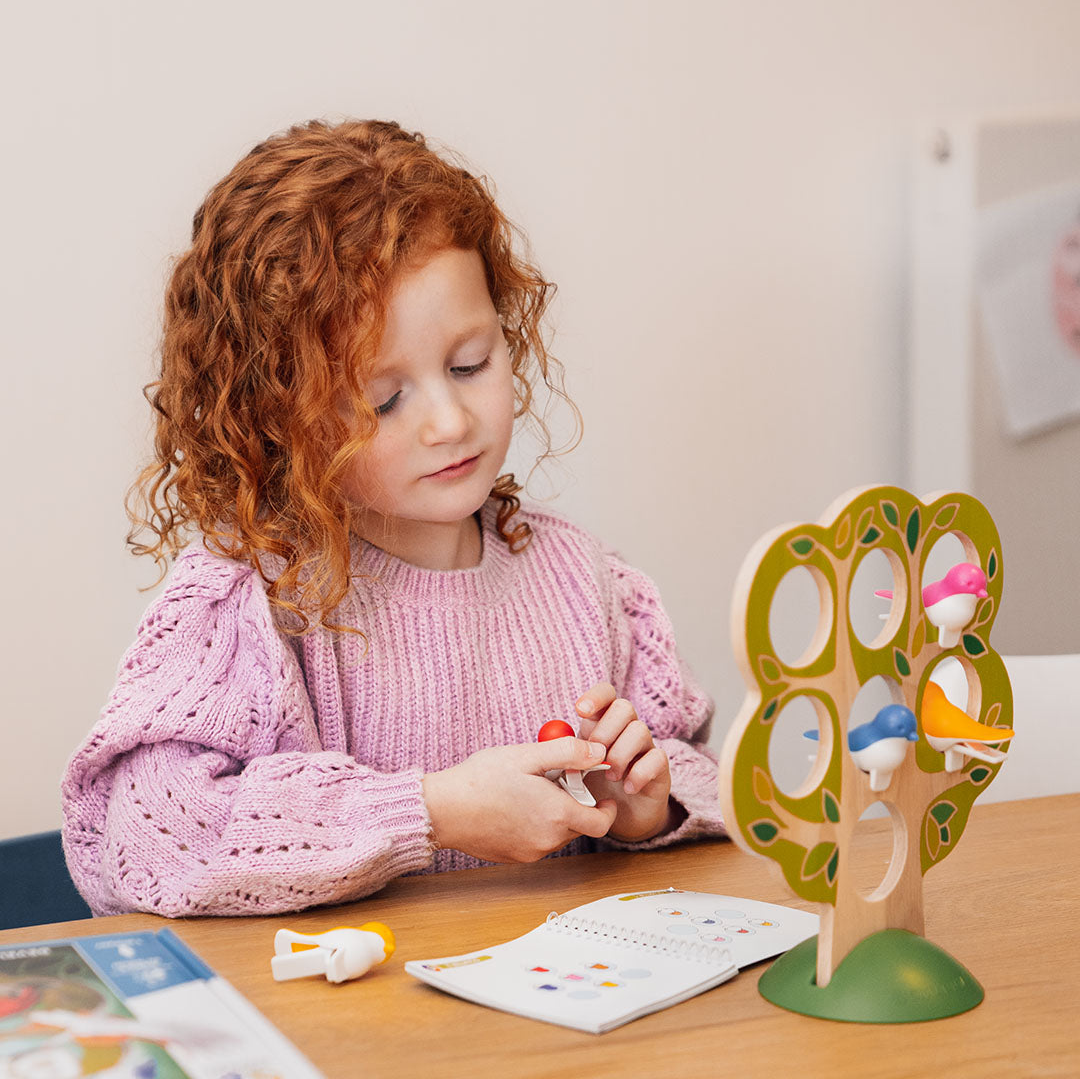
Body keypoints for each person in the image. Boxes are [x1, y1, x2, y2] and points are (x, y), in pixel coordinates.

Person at [61, 119, 726, 917]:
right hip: (344, 1030)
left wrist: (641, 807)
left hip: (553, 1021)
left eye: (469, 364)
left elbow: (702, 772)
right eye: (383, 399)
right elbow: (153, 840)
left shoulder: (584, 580)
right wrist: (432, 811)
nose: (448, 421)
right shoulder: (250, 602)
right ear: (277, 417)